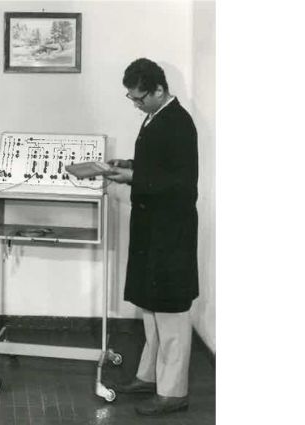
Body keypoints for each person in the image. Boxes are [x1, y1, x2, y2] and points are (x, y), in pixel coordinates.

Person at [106, 58, 199, 416]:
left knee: (171, 310)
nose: (135, 104)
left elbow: (181, 182)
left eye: (139, 98)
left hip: (171, 228)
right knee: (151, 304)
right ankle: (149, 376)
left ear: (159, 90)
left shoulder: (179, 122)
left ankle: (173, 392)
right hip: (152, 225)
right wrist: (129, 165)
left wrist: (134, 178)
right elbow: (159, 165)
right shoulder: (155, 116)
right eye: (131, 97)